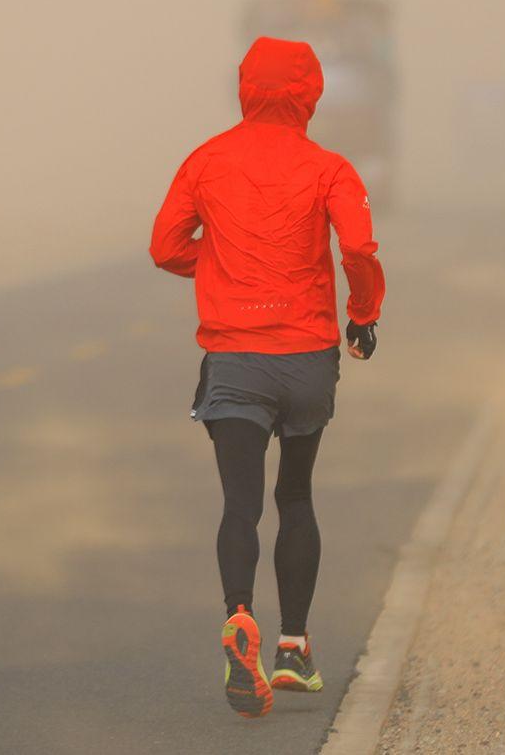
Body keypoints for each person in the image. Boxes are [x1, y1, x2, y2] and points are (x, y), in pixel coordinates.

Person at [149, 36, 385, 719]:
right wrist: (362, 314)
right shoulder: (330, 167)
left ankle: (239, 614)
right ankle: (293, 647)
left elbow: (165, 245)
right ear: (310, 93)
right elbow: (360, 248)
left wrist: (222, 267)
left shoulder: (206, 159)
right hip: (308, 358)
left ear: (245, 87)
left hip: (235, 362)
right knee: (297, 496)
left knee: (240, 505)